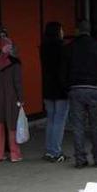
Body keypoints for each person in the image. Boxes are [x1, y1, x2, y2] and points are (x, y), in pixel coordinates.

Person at [63, 20, 97, 168]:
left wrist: (68, 87)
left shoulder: (69, 47)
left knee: (77, 126)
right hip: (95, 89)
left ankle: (80, 159)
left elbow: (62, 71)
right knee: (96, 125)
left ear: (77, 30)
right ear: (89, 30)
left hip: (75, 89)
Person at [0, 34, 24, 162]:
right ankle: (15, 154)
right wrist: (21, 98)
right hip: (11, 98)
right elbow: (18, 83)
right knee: (12, 126)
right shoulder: (14, 63)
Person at [40, 21, 70, 162]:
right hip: (60, 89)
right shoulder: (63, 48)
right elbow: (64, 70)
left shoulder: (43, 48)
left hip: (47, 88)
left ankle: (49, 150)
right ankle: (56, 151)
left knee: (51, 119)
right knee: (59, 120)